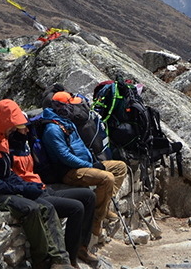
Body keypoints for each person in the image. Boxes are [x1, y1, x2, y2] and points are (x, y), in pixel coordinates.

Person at [0, 99, 89, 269]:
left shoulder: (0, 136)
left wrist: (25, 186)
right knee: (31, 209)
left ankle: (61, 261)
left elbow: (7, 172)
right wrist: (23, 188)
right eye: (13, 125)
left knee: (47, 207)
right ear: (3, 122)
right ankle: (42, 262)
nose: (15, 130)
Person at [39, 92, 128, 248]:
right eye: (71, 104)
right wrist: (91, 166)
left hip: (84, 164)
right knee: (107, 178)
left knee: (120, 167)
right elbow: (65, 157)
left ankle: (103, 206)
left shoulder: (65, 121)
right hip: (70, 171)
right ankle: (96, 221)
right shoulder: (52, 129)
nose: (75, 107)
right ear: (60, 106)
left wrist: (92, 162)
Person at [8, 125, 100, 268]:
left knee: (89, 196)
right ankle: (70, 259)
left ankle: (82, 247)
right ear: (13, 129)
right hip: (32, 194)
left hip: (43, 188)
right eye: (22, 128)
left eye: (27, 127)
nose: (27, 130)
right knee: (76, 208)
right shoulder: (7, 149)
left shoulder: (23, 145)